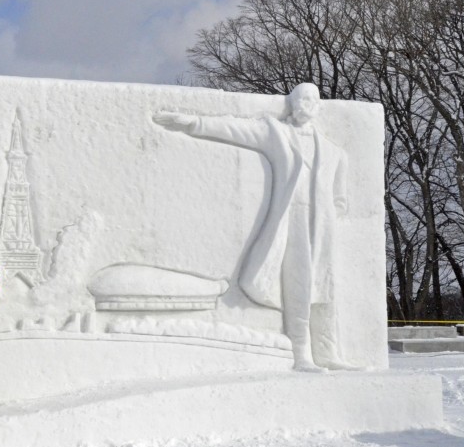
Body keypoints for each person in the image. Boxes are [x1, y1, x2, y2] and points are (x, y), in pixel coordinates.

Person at [153, 83, 357, 372]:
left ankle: (330, 352)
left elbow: (340, 201)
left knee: (325, 286)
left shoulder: (336, 153)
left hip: (322, 229)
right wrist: (195, 123)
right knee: (298, 285)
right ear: (291, 104)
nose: (304, 105)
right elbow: (236, 129)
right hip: (292, 221)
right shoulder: (277, 134)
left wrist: (329, 216)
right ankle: (302, 355)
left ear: (319, 105)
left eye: (311, 99)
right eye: (299, 100)